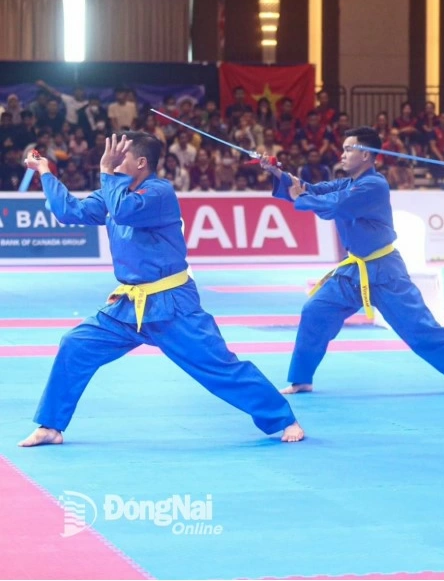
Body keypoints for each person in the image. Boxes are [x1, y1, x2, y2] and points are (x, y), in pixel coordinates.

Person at [18, 133, 303, 447]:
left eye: (119, 154)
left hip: (173, 304)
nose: (112, 158)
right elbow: (68, 212)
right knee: (75, 345)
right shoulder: (113, 193)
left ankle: (283, 418)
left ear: (141, 162)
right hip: (128, 304)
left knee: (218, 367)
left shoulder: (159, 192)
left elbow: (125, 210)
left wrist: (105, 170)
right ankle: (50, 426)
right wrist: (45, 171)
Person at [258, 127, 444, 395]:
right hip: (352, 271)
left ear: (366, 155)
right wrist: (277, 172)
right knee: (315, 312)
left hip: (385, 272)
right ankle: (302, 379)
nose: (342, 154)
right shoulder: (347, 183)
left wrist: (302, 196)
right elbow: (311, 189)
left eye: (348, 149)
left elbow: (334, 205)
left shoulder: (374, 185)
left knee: (419, 327)